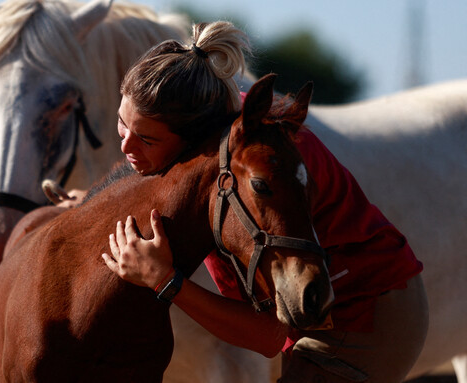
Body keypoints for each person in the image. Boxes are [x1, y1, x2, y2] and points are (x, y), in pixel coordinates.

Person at [98, 21, 429, 383]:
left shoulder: (241, 168)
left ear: (192, 142)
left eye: (145, 138)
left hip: (369, 311)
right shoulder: (224, 133)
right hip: (331, 307)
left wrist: (163, 280)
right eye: (121, 124)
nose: (126, 146)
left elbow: (266, 335)